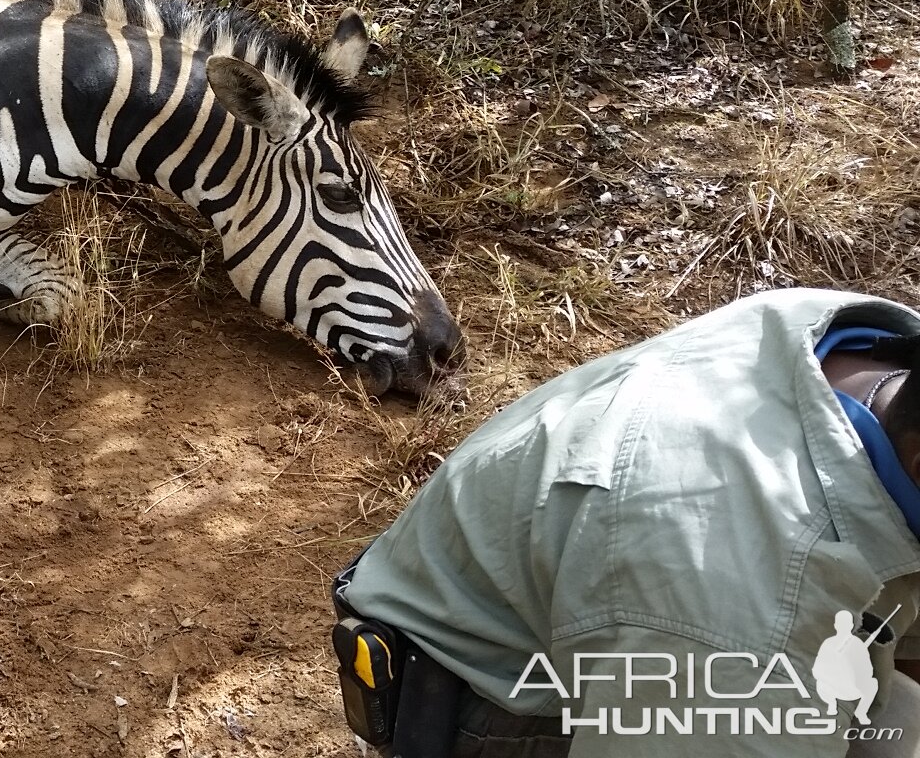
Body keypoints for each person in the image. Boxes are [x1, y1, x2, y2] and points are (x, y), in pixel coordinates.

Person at [331, 288, 920, 757]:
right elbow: (737, 645)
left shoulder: (845, 339)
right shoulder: (743, 630)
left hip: (581, 627)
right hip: (490, 706)